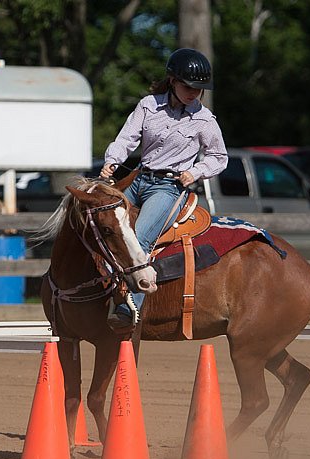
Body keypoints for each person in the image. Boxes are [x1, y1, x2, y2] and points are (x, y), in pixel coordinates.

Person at [100, 48, 228, 332]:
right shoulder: (148, 106)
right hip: (138, 179)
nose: (194, 92)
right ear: (172, 81)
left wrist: (194, 172)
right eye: (188, 86)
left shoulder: (205, 121)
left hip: (169, 188)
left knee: (140, 239)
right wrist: (112, 161)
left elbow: (219, 157)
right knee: (100, 221)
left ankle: (127, 308)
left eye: (199, 88)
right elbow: (126, 139)